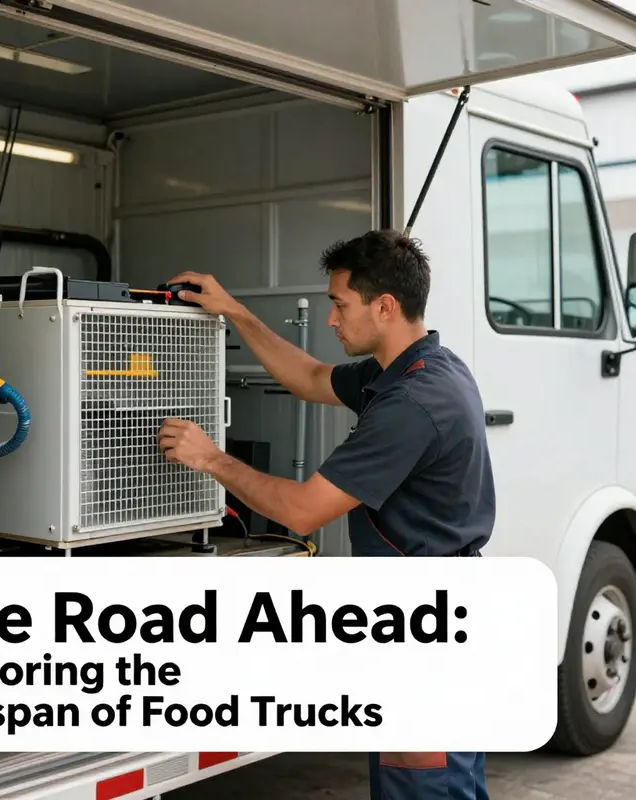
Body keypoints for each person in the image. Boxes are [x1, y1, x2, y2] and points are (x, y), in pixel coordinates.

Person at [157, 229, 494, 799]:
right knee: (428, 779)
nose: (332, 319)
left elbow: (303, 509)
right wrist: (236, 312)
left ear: (384, 307)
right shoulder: (415, 369)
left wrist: (211, 458)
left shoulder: (412, 403)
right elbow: (310, 378)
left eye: (340, 304)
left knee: (426, 786)